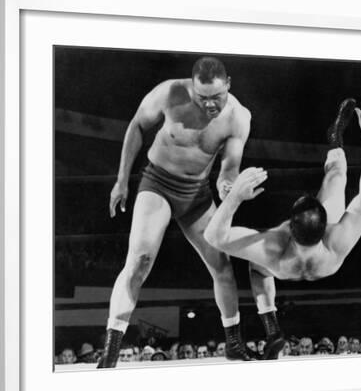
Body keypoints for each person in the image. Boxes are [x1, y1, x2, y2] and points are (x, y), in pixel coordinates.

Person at [98, 57, 281, 368]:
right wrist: (121, 181)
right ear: (192, 87)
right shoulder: (169, 93)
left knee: (221, 264)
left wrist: (228, 186)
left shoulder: (238, 117)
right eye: (202, 97)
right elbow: (137, 126)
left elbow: (229, 167)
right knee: (139, 262)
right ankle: (110, 352)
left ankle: (233, 343)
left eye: (217, 97)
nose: (210, 105)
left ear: (229, 85)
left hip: (197, 194)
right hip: (157, 183)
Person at [204, 90, 361, 288]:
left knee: (258, 269)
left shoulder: (273, 246)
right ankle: (334, 137)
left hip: (280, 267)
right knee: (338, 174)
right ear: (327, 227)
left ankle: (266, 309)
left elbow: (214, 237)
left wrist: (234, 197)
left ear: (288, 227)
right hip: (322, 264)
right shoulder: (337, 242)